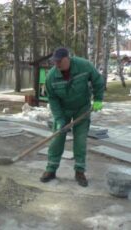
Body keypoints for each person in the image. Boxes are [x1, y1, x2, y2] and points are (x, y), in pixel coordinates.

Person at [40, 47, 104, 187]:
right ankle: (51, 169)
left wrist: (98, 99)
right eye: (54, 62)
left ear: (67, 58)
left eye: (59, 61)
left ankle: (79, 171)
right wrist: (60, 119)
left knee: (80, 141)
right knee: (57, 138)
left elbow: (98, 81)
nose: (56, 64)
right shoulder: (51, 76)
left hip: (82, 108)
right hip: (63, 110)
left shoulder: (84, 65)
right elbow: (53, 100)